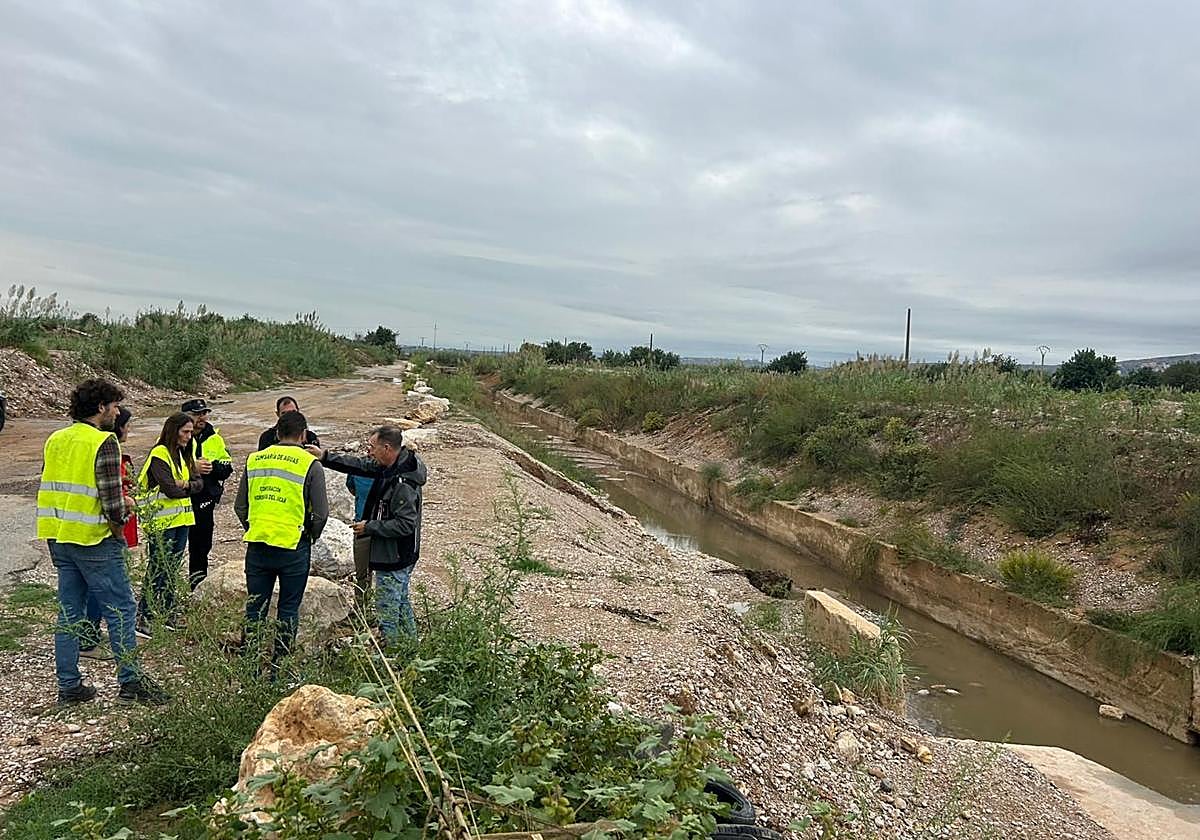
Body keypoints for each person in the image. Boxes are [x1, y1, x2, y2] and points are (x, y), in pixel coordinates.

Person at [37, 379, 167, 705]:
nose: (118, 411)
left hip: (60, 537)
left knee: (70, 612)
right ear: (100, 408)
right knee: (121, 609)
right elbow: (112, 503)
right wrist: (126, 515)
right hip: (95, 540)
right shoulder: (104, 442)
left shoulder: (56, 439)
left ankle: (69, 686)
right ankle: (130, 683)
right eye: (114, 406)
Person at [309, 425, 427, 644]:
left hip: (395, 556)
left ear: (386, 447)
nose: (369, 452)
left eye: (372, 447)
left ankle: (393, 655)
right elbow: (360, 466)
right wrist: (324, 456)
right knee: (400, 602)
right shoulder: (389, 466)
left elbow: (405, 525)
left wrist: (370, 527)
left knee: (387, 610)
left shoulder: (402, 481)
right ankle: (411, 647)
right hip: (397, 554)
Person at [234, 410, 328, 669]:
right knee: (288, 609)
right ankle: (279, 668)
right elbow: (321, 513)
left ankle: (250, 667)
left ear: (276, 433)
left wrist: (254, 526)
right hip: (293, 546)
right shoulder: (310, 464)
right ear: (304, 435)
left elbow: (240, 507)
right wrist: (310, 535)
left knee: (255, 609)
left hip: (258, 544)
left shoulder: (255, 460)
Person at [79, 406, 137, 661]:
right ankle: (127, 673)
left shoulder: (64, 440)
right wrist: (118, 529)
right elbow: (112, 502)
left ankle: (84, 641)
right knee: (117, 601)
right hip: (100, 533)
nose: (128, 428)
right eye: (125, 422)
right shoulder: (107, 445)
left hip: (68, 535)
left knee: (74, 602)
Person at [137, 413, 202, 633]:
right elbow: (171, 490)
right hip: (161, 522)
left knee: (171, 568)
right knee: (158, 567)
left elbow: (198, 484)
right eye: (185, 432)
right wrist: (186, 485)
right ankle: (143, 615)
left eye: (190, 432)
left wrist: (184, 483)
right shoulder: (160, 455)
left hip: (181, 520)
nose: (189, 436)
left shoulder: (184, 455)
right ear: (173, 431)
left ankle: (166, 612)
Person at [181, 398, 233, 589]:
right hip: (178, 499)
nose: (202, 417)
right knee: (171, 548)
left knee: (201, 546)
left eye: (204, 413)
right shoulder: (173, 435)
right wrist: (191, 467)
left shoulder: (214, 438)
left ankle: (196, 587)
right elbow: (163, 468)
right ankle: (163, 594)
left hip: (204, 498)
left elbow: (227, 468)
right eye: (197, 414)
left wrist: (213, 467)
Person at [345, 457, 376, 613]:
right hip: (362, 527)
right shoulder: (357, 468)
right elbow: (351, 488)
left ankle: (363, 610)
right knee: (363, 573)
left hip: (379, 528)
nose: (369, 450)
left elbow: (352, 489)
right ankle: (362, 611)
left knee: (364, 573)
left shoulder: (391, 469)